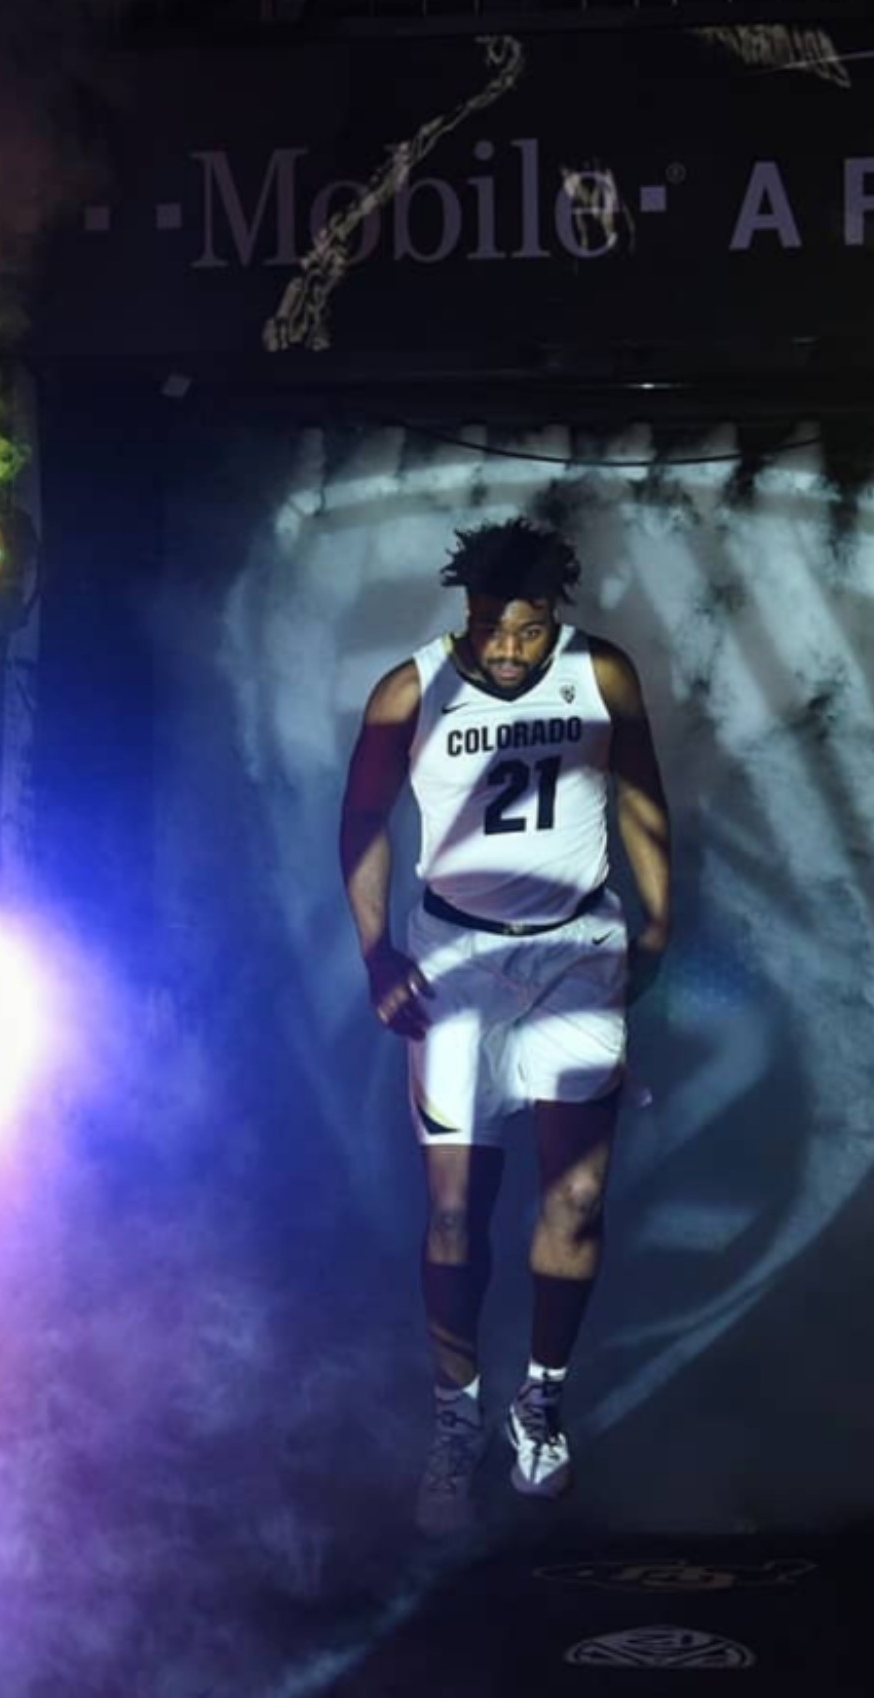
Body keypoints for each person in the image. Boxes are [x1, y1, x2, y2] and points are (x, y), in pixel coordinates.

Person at [338, 517, 672, 1536]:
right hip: (455, 957)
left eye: (526, 629)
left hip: (575, 948)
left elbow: (641, 798)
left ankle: (540, 1402)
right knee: (454, 1213)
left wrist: (656, 924)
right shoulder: (409, 690)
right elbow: (361, 822)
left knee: (576, 1196)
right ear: (466, 611)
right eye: (489, 625)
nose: (507, 648)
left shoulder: (597, 672)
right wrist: (377, 953)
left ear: (554, 614)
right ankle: (455, 1415)